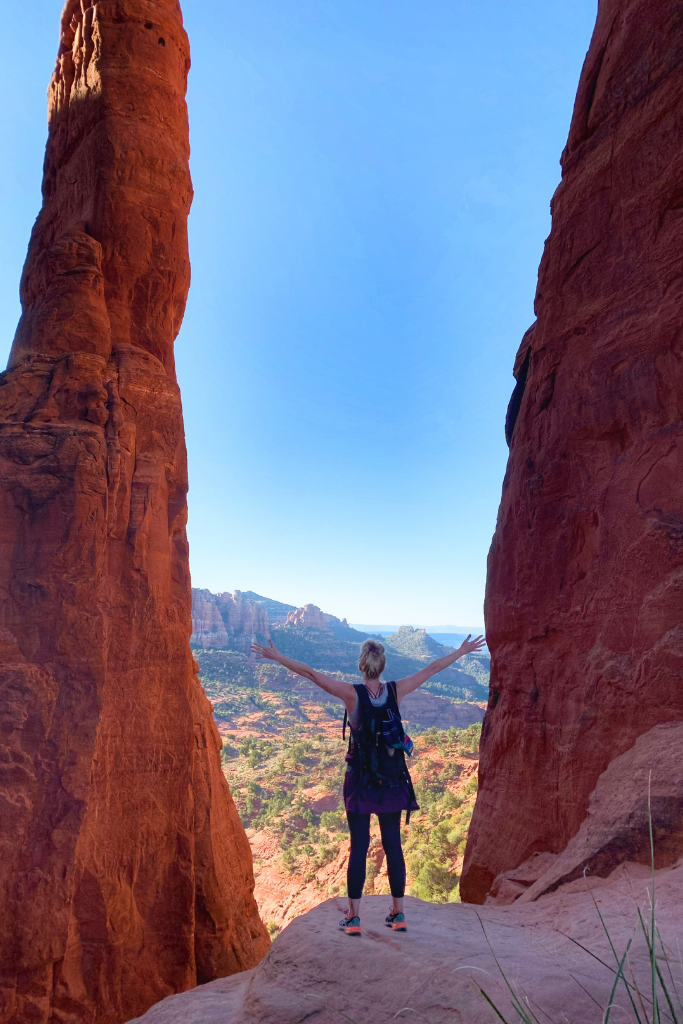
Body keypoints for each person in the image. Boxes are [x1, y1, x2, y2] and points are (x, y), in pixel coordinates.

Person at [251, 631, 486, 936]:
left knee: (359, 847)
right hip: (391, 782)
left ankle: (353, 919)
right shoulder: (396, 690)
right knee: (393, 846)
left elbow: (310, 673)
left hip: (360, 782)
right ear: (382, 665)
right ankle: (398, 914)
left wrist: (278, 657)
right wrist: (462, 651)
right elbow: (431, 669)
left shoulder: (352, 695)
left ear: (361, 666)